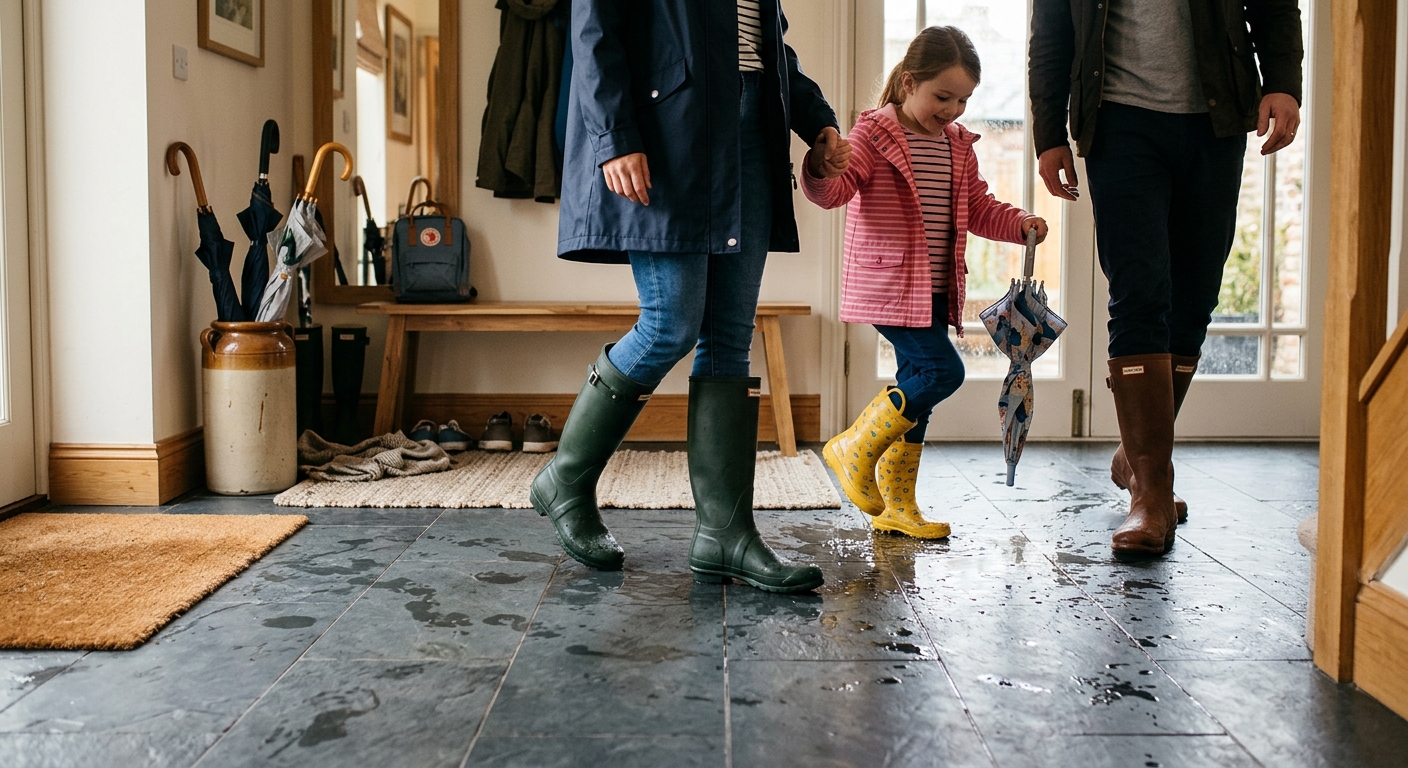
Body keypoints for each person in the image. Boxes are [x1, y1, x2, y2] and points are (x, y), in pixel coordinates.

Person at [531, 0, 851, 593]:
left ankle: (724, 534)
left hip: (751, 133)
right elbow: (595, 30)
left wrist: (817, 120)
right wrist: (614, 134)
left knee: (729, 334)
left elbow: (765, 47)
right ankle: (565, 480)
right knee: (669, 323)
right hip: (666, 132)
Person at [1030, 0, 1303, 559]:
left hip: (1217, 114)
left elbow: (1274, 2)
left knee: (1197, 294)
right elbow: (1052, 28)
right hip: (1117, 120)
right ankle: (1152, 494)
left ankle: (1138, 457)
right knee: (1139, 293)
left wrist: (1283, 81)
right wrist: (1048, 132)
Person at [804, 27, 1047, 540]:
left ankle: (898, 507)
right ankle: (851, 448)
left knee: (919, 388)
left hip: (934, 288)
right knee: (942, 373)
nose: (954, 109)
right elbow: (836, 191)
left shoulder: (959, 145)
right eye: (943, 96)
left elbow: (979, 207)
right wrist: (822, 168)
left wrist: (1020, 222)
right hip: (890, 285)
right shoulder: (873, 133)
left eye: (963, 99)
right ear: (909, 82)